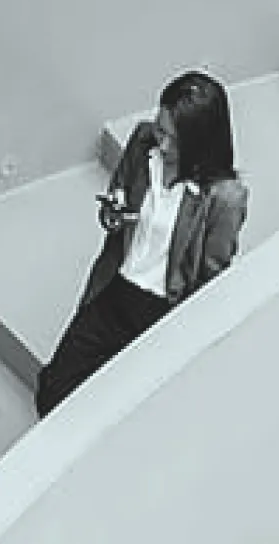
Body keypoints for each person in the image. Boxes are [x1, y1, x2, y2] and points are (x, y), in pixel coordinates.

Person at [37, 69, 248, 416]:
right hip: (114, 288)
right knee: (53, 389)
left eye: (174, 140)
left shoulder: (225, 199)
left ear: (200, 143)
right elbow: (118, 197)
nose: (161, 144)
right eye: (160, 129)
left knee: (116, 408)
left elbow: (211, 280)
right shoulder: (142, 142)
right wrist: (113, 216)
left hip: (160, 312)